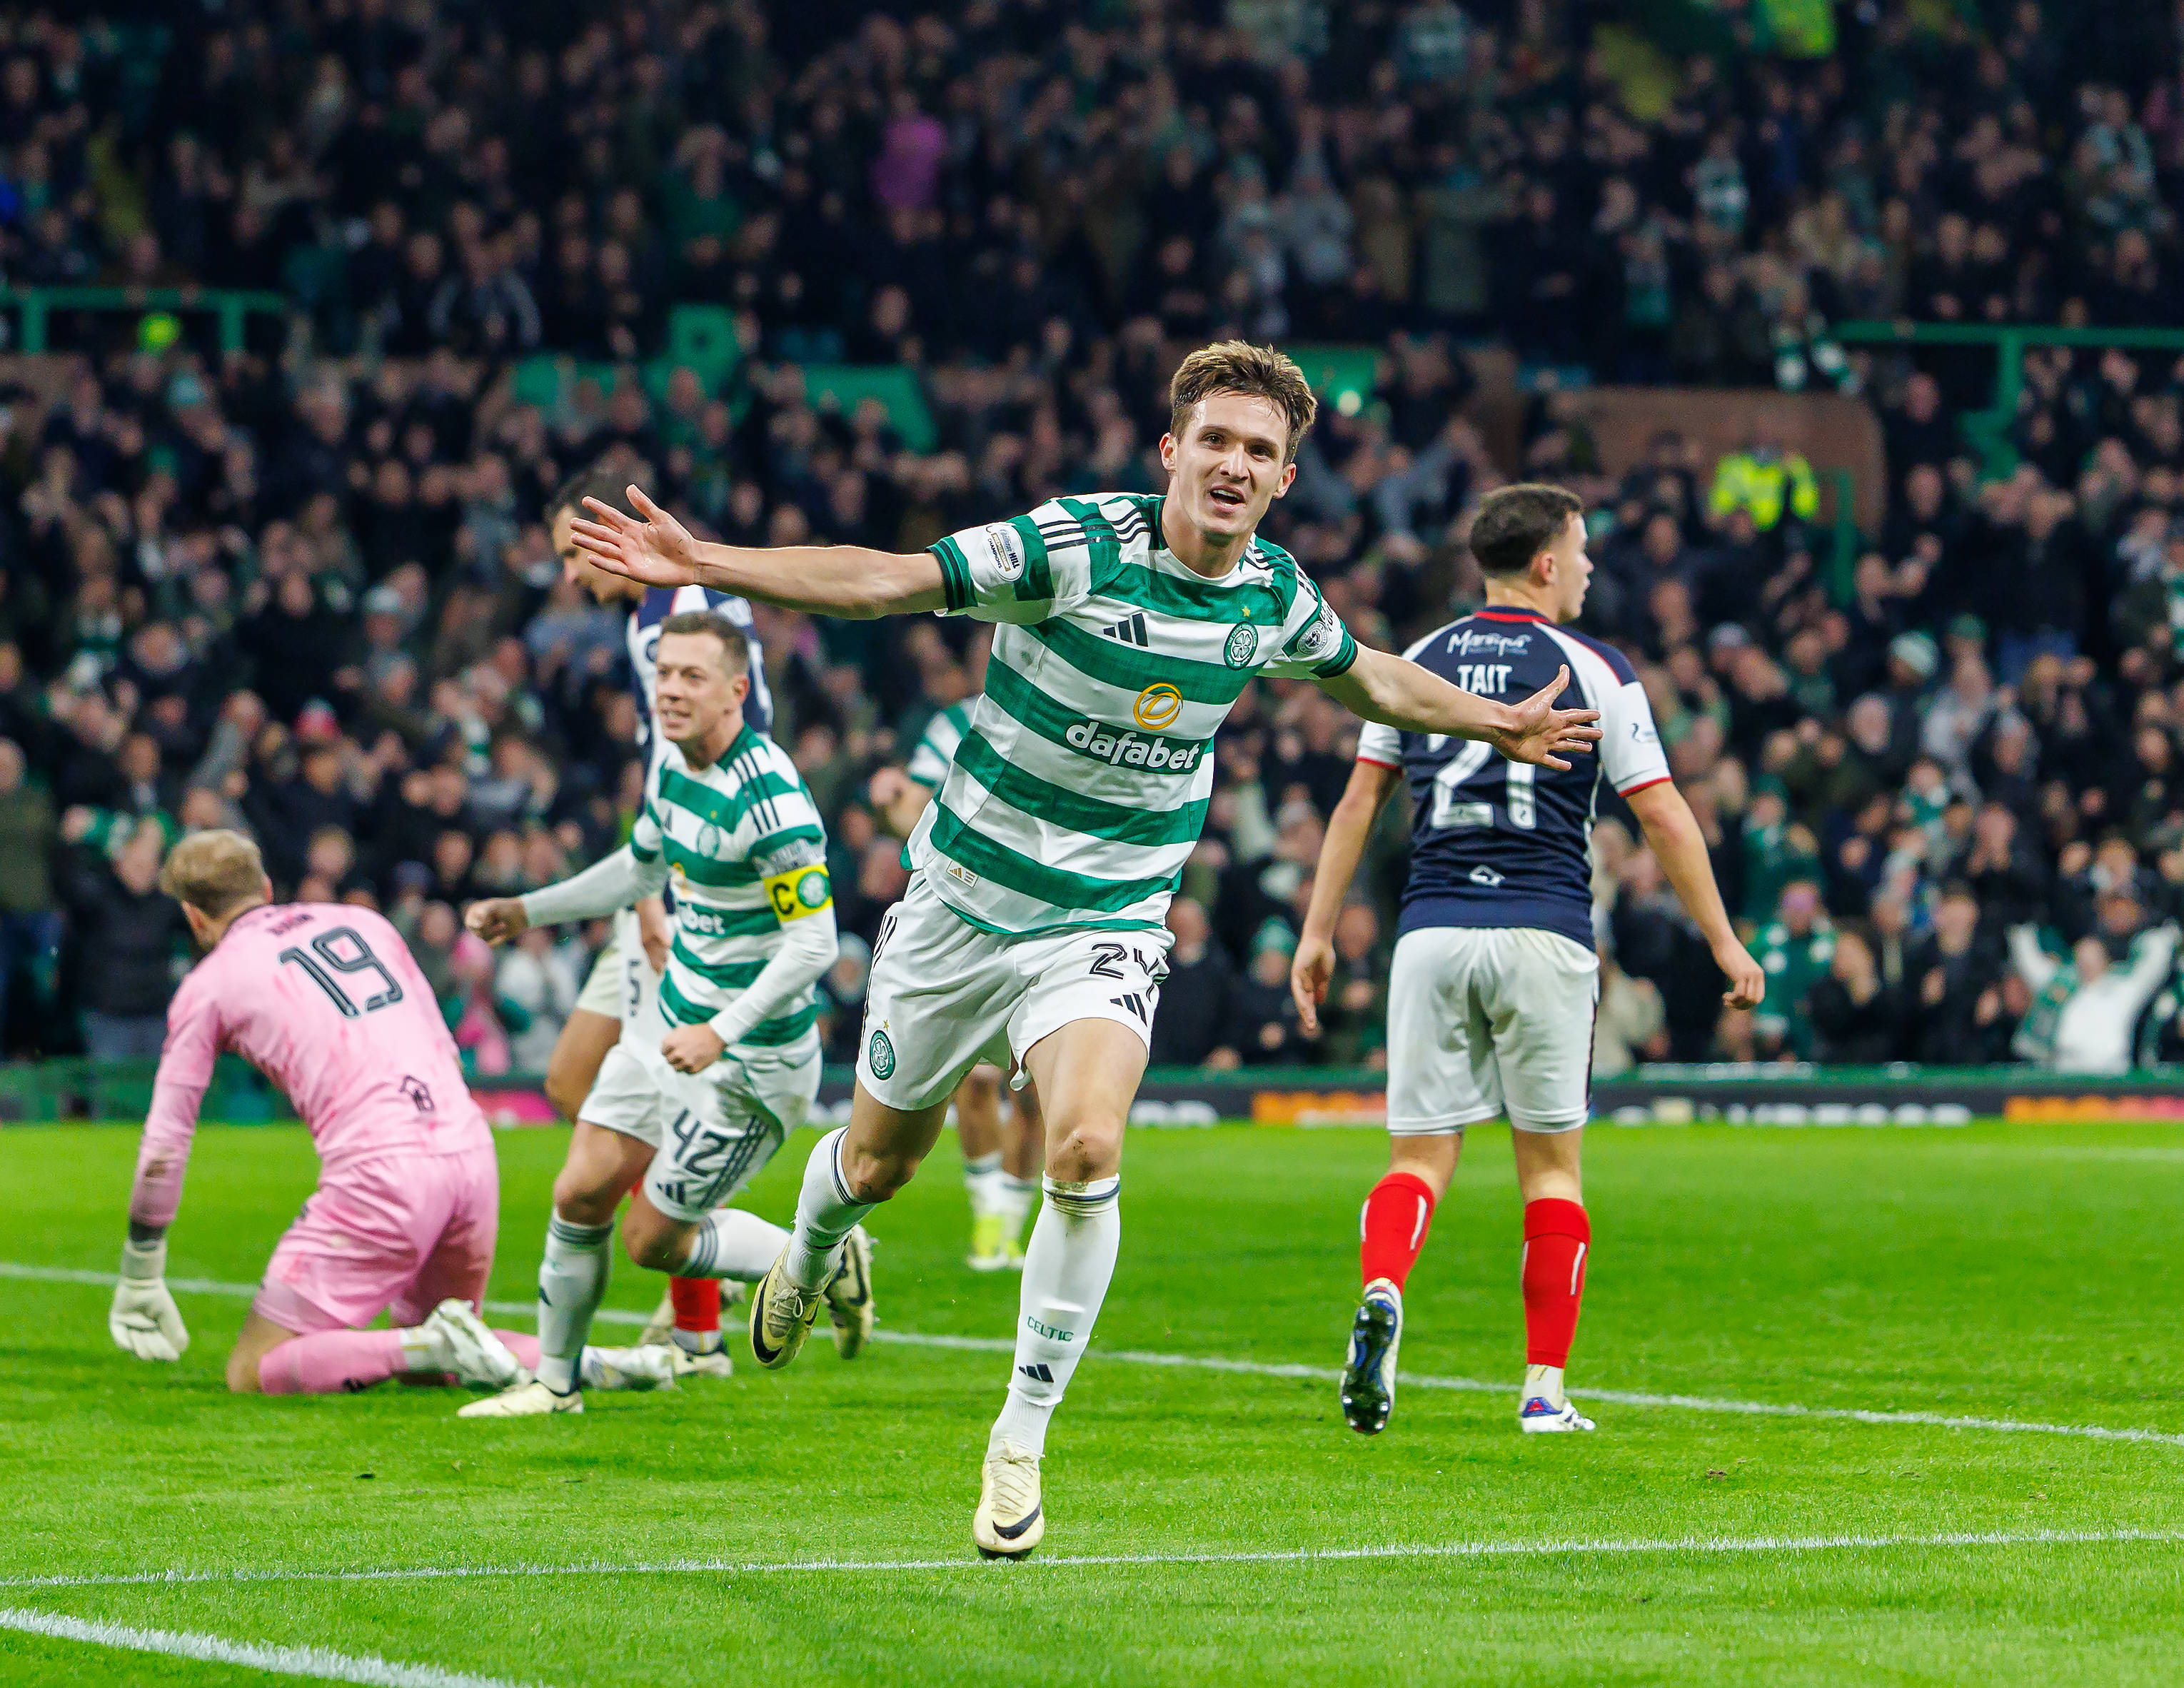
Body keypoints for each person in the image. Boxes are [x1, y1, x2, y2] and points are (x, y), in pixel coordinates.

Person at [565, 340, 1601, 1557]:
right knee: (878, 1160)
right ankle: (809, 1244)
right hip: (958, 907)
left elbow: (1371, 678)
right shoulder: (1075, 546)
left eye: (1258, 451)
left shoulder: (1270, 594)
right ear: (1170, 452)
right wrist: (705, 562)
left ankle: (1019, 1436)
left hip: (1100, 922)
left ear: (1282, 479)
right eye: (1213, 440)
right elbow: (885, 578)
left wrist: (1495, 720)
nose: (1232, 463)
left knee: (1087, 1142)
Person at [1290, 481, 1763, 1440]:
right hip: (1543, 930)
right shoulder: (1591, 665)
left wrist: (1313, 930)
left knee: (1417, 1156)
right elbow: (1660, 810)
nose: (1587, 569)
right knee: (1549, 1170)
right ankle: (1542, 1391)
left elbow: (1356, 805)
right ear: (1546, 563)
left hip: (1429, 933)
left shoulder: (1415, 660)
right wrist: (1722, 938)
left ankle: (1383, 1287)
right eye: (1581, 552)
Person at [456, 611, 859, 1417]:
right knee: (577, 1192)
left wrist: (722, 1031)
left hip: (749, 1065)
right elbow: (641, 870)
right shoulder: (672, 768)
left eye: (691, 677)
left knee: (653, 1242)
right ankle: (554, 1386)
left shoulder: (772, 801)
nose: (670, 689)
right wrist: (528, 911)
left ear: (736, 692)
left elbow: (814, 945)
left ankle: (816, 1255)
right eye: (664, 673)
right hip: (667, 1033)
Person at [106, 829, 670, 1398]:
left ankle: (434, 1341)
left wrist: (141, 1265)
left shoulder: (209, 983)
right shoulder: (365, 924)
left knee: (256, 1368)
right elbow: (443, 1046)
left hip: (381, 1172)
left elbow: (166, 1141)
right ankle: (593, 1361)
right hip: (469, 1153)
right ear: (266, 887)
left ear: (194, 917)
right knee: (434, 1370)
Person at [541, 465, 773, 1366]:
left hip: (683, 886)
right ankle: (703, 1310)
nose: (570, 576)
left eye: (575, 551)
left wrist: (653, 892)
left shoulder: (664, 625)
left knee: (656, 1109)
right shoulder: (685, 606)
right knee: (573, 1087)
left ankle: (741, 1294)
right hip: (674, 868)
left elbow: (693, 757)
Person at [869, 690, 1047, 1271]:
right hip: (970, 916)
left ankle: (1013, 1224)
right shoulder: (955, 722)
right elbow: (913, 811)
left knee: (1037, 1091)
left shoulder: (1077, 700)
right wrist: (892, 805)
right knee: (975, 1084)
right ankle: (988, 1217)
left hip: (1050, 914)